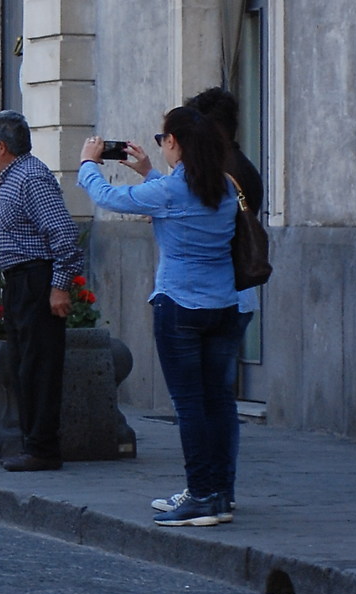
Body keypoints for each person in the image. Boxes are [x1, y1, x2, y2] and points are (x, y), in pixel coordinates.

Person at [79, 109, 242, 527]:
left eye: (162, 138)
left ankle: (201, 495)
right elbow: (173, 203)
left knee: (189, 406)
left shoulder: (175, 189)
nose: (160, 144)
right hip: (223, 304)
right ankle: (220, 493)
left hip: (180, 306)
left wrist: (88, 164)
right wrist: (149, 171)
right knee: (219, 403)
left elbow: (112, 199)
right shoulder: (222, 186)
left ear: (176, 143)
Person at [0, 109, 83, 471]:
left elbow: (63, 234)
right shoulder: (12, 177)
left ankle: (42, 447)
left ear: (2, 146)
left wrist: (59, 287)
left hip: (36, 279)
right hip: (20, 282)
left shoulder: (31, 178)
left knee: (39, 366)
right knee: (24, 364)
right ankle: (32, 443)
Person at [183, 85, 262, 506]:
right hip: (234, 296)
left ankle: (214, 486)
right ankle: (216, 485)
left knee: (210, 399)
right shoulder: (238, 165)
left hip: (223, 295)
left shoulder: (223, 172)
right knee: (217, 398)